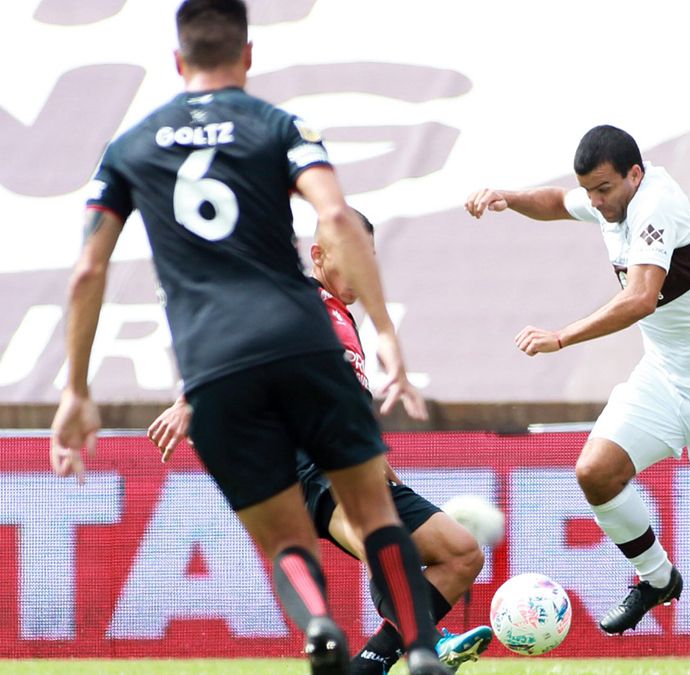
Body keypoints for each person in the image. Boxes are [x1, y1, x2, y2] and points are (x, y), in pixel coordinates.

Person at [48, 2, 451, 673]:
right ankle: (419, 650)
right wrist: (387, 334)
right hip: (304, 342)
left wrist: (77, 390)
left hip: (215, 364)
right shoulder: (280, 126)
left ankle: (319, 622)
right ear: (248, 55)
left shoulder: (129, 148)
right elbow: (337, 217)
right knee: (376, 512)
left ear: (178, 61)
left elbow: (88, 269)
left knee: (287, 541)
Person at [465, 125, 690, 675]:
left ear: (634, 174)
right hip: (664, 377)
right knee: (595, 472)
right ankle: (657, 579)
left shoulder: (658, 204)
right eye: (591, 190)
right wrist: (507, 197)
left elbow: (642, 298)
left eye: (604, 189)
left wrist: (562, 337)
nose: (597, 202)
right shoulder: (610, 198)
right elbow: (556, 201)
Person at [147, 211, 493, 674]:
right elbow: (234, 337)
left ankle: (374, 664)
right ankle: (426, 641)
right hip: (311, 464)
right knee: (381, 547)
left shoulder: (342, 317)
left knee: (462, 553)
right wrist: (190, 400)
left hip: (356, 463)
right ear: (318, 255)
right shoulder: (298, 297)